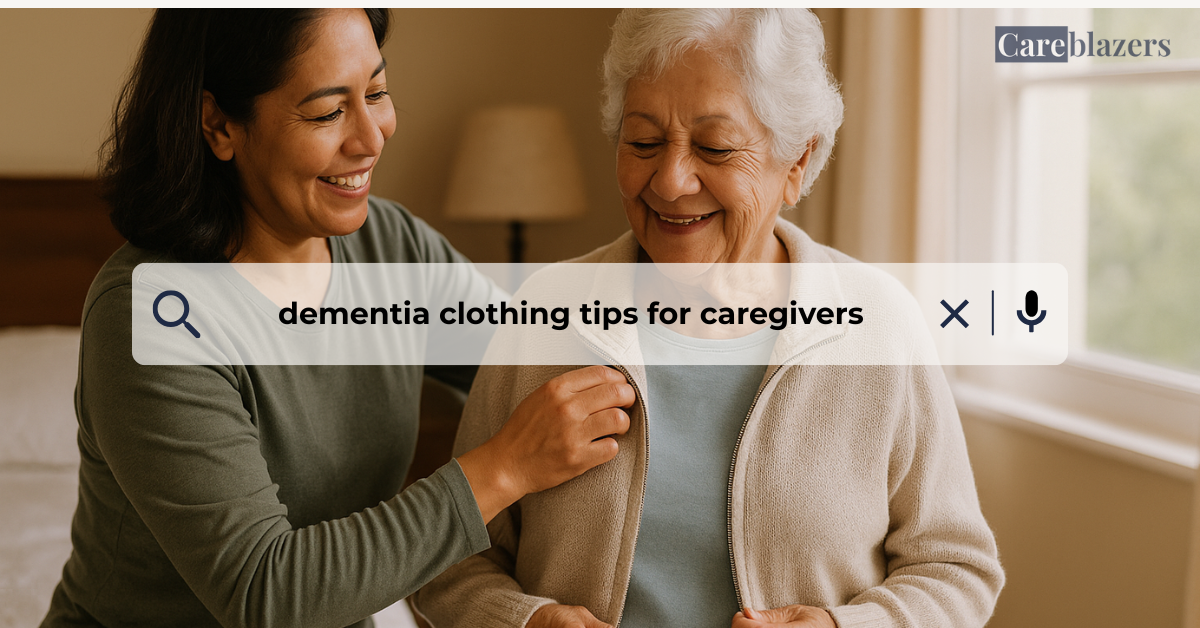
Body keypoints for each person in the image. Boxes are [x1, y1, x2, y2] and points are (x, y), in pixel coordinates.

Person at [41, 9, 635, 628]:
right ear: (218, 123)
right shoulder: (152, 315)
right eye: (327, 113)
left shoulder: (393, 250)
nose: (372, 138)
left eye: (377, 93)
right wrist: (502, 468)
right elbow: (266, 591)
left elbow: (540, 364)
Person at [415, 8, 1004, 628]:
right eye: (642, 142)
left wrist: (847, 626)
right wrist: (526, 620)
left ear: (797, 162)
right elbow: (448, 564)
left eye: (715, 147)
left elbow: (956, 568)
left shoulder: (878, 323)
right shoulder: (546, 315)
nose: (669, 182)